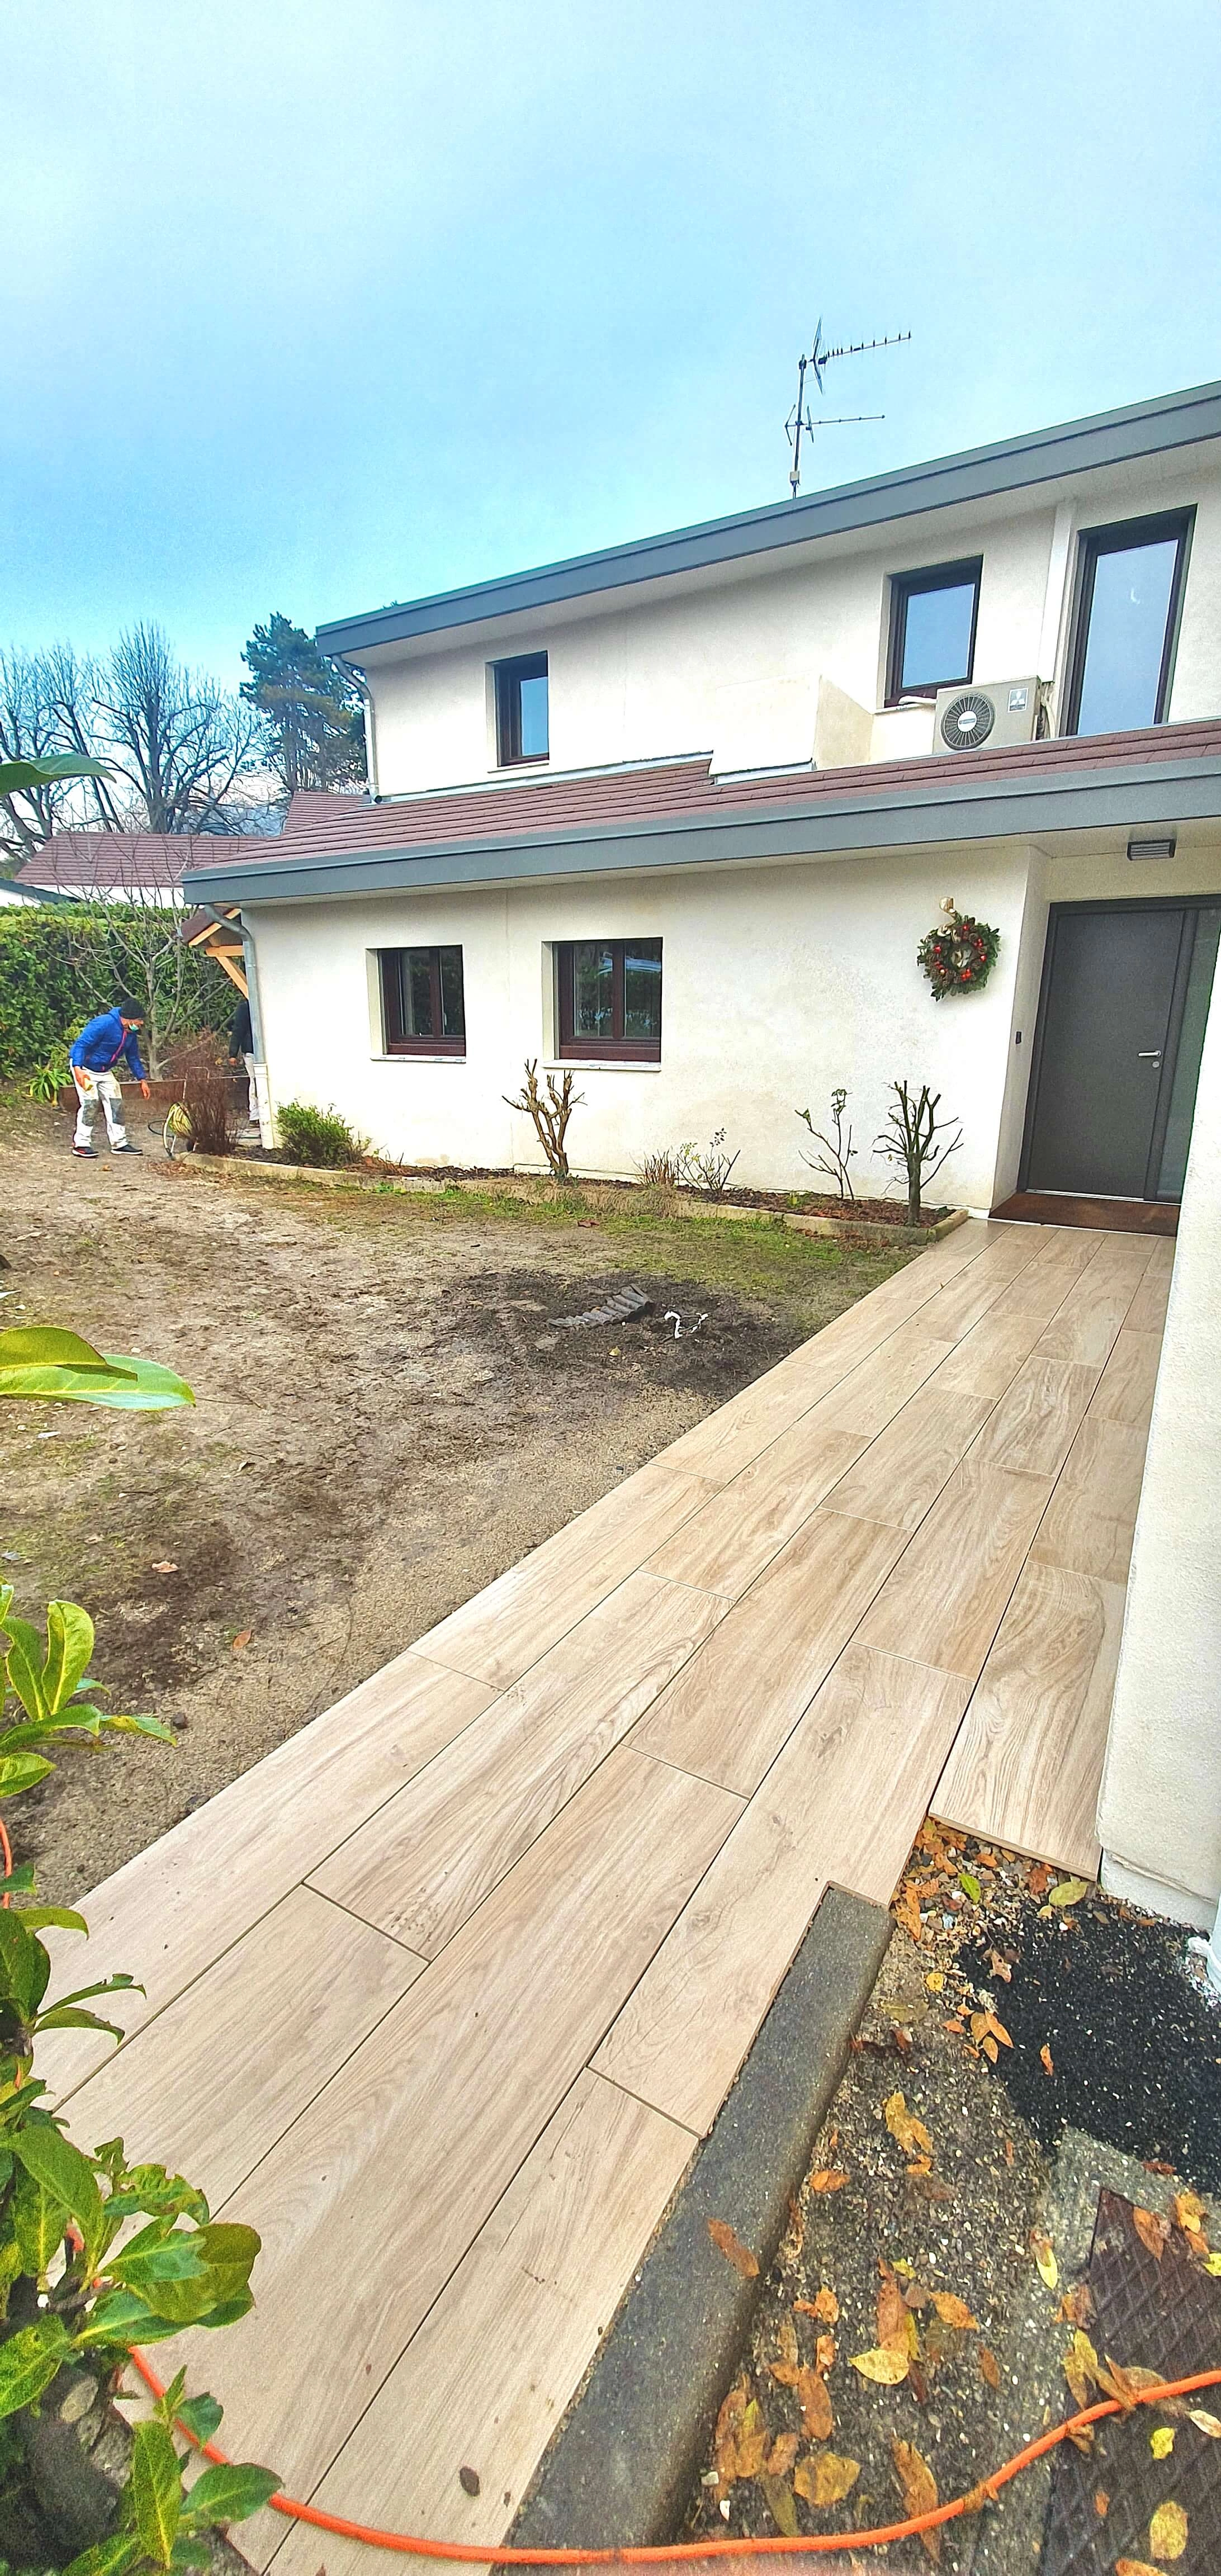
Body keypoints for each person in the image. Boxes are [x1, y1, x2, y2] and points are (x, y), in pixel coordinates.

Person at [69, 995, 151, 1158]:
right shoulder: (104, 1023)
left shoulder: (131, 1033)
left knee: (116, 1103)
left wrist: (142, 1079)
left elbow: (133, 1057)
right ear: (128, 1019)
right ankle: (81, 1143)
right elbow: (81, 1045)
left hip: (105, 1071)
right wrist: (78, 1069)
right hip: (86, 1068)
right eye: (139, 1020)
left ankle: (119, 1143)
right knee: (90, 1103)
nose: (141, 1023)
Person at [228, 993, 258, 1128]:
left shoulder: (245, 1007)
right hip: (252, 1050)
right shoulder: (246, 1007)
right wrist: (233, 1053)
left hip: (252, 1049)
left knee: (255, 1081)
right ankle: (255, 1114)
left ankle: (256, 1114)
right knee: (255, 1081)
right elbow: (238, 1030)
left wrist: (233, 1053)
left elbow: (238, 1030)